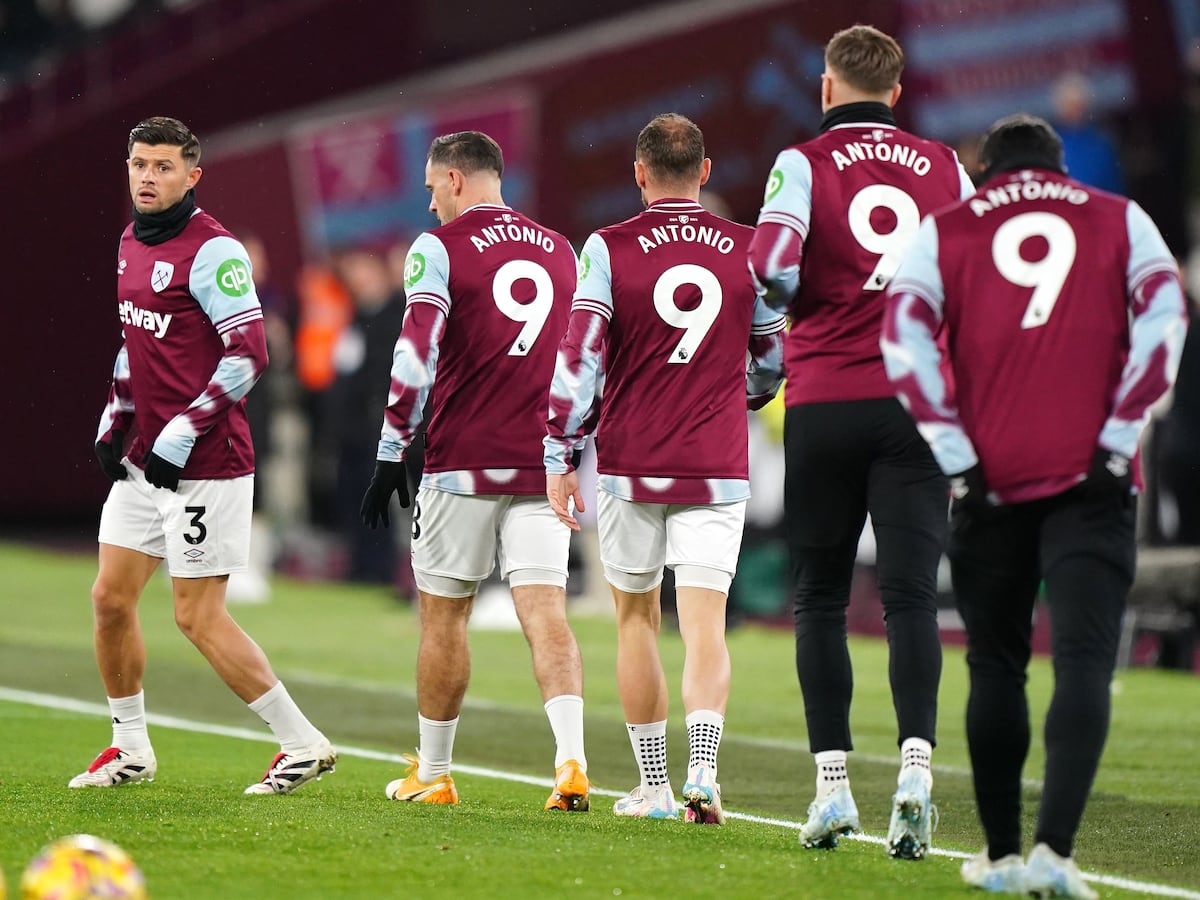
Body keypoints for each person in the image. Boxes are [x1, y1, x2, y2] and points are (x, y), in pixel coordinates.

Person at [882, 114, 1186, 896]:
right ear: (1059, 167)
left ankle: (1002, 855)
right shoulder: (1120, 217)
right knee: (1083, 660)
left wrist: (957, 456)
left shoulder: (945, 231)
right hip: (1096, 476)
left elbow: (902, 341)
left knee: (997, 665)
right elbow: (1165, 316)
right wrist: (1119, 438)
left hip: (991, 481)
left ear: (988, 169)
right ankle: (1056, 852)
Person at [747, 24, 975, 858]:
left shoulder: (803, 163)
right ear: (898, 92)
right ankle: (915, 770)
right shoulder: (944, 165)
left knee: (819, 598)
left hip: (825, 402)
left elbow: (770, 265)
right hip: (913, 403)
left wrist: (781, 324)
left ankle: (833, 790)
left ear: (826, 88)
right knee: (913, 596)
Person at [82, 116, 337, 794]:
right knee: (110, 598)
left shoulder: (214, 251)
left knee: (196, 614)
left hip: (207, 462)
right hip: (147, 461)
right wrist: (117, 413)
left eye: (163, 166)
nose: (147, 176)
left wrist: (183, 430)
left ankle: (301, 742)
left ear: (192, 176)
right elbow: (136, 339)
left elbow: (251, 352)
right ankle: (130, 747)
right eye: (139, 163)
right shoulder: (130, 241)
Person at [545, 113, 786, 824]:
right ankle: (704, 774)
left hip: (632, 461)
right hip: (714, 462)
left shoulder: (609, 248)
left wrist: (562, 450)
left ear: (640, 174)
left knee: (637, 620)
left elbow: (579, 356)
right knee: (706, 623)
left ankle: (653, 784)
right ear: (706, 172)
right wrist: (730, 394)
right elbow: (772, 362)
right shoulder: (748, 249)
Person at [359, 131, 589, 811]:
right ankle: (571, 764)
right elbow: (579, 359)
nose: (430, 205)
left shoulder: (439, 248)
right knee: (547, 614)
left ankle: (433, 773)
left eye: (432, 188)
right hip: (541, 461)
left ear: (456, 179)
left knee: (444, 618)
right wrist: (568, 450)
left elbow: (415, 353)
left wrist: (390, 448)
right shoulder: (561, 248)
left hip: (462, 461)